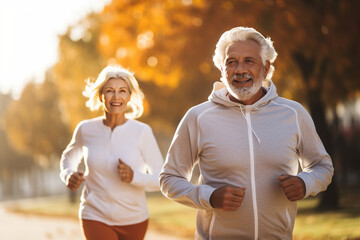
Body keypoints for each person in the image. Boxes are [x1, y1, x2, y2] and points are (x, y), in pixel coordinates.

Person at [159, 26, 334, 240]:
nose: (240, 69)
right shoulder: (198, 117)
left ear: (266, 67)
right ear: (222, 70)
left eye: (249, 61)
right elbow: (169, 178)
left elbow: (322, 166)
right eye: (231, 62)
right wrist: (210, 196)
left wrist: (305, 183)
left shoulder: (293, 113)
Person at [60, 65, 164, 240]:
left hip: (134, 219)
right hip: (95, 214)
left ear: (129, 96)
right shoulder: (86, 129)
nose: (116, 97)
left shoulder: (141, 131)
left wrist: (134, 177)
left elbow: (160, 179)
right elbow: (68, 158)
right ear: (101, 96)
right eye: (110, 91)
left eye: (122, 91)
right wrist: (68, 175)